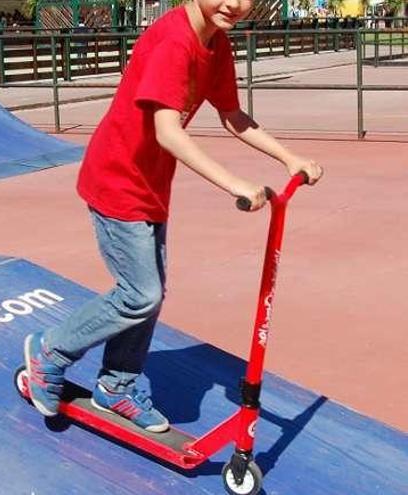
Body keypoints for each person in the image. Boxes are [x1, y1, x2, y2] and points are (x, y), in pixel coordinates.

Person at [23, 0, 323, 432]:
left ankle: (117, 385)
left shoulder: (215, 44)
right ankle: (51, 352)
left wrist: (289, 158)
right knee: (139, 294)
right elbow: (167, 132)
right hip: (116, 180)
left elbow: (232, 115)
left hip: (149, 185)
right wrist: (234, 183)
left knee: (150, 292)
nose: (236, 5)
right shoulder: (173, 42)